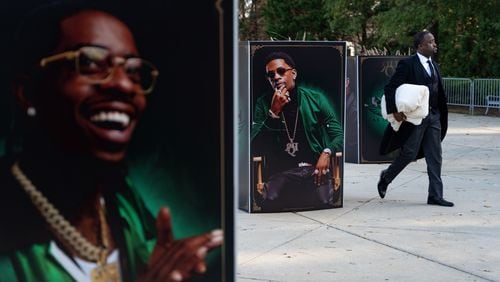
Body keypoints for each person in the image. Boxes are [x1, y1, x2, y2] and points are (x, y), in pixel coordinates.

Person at [0, 2, 223, 281]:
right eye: (90, 62)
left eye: (133, 71)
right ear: (27, 93)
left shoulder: (121, 199)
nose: (124, 85)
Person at [251, 51, 343, 211]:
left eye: (281, 71)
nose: (276, 77)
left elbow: (338, 135)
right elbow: (255, 146)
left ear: (293, 73)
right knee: (269, 200)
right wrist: (273, 113)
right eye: (270, 75)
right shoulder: (263, 103)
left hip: (312, 169)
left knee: (325, 199)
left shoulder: (316, 98)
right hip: (280, 172)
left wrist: (327, 152)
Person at [378, 31, 453, 207]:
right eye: (431, 42)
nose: (435, 44)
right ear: (420, 46)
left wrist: (440, 114)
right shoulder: (407, 64)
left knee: (435, 156)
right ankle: (386, 177)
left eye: (434, 41)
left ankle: (435, 195)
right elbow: (390, 88)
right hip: (415, 118)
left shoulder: (434, 65)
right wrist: (394, 111)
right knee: (409, 153)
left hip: (433, 116)